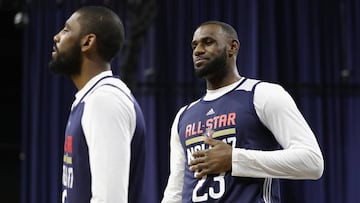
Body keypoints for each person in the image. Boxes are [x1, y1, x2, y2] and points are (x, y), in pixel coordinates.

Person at [161, 21, 324, 203]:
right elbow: (176, 188)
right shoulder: (184, 115)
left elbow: (312, 162)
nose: (198, 50)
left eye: (208, 42)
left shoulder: (263, 94)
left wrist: (235, 158)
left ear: (232, 47)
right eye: (194, 45)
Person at [48, 6, 146, 203]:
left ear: (88, 41)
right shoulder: (90, 99)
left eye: (66, 30)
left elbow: (110, 199)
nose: (57, 37)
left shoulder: (104, 100)